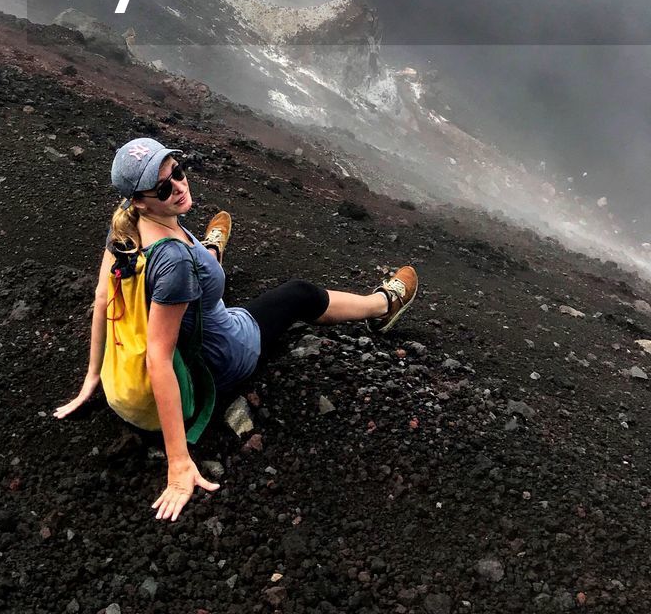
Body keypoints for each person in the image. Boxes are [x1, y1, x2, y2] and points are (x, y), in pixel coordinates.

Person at [54, 137, 419, 521]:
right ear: (141, 200)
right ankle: (382, 304)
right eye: (164, 187)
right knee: (299, 294)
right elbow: (158, 359)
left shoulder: (124, 229)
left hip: (162, 344)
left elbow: (101, 298)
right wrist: (178, 463)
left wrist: (94, 376)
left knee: (198, 264)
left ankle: (210, 252)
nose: (178, 186)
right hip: (225, 355)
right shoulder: (175, 265)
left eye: (176, 172)